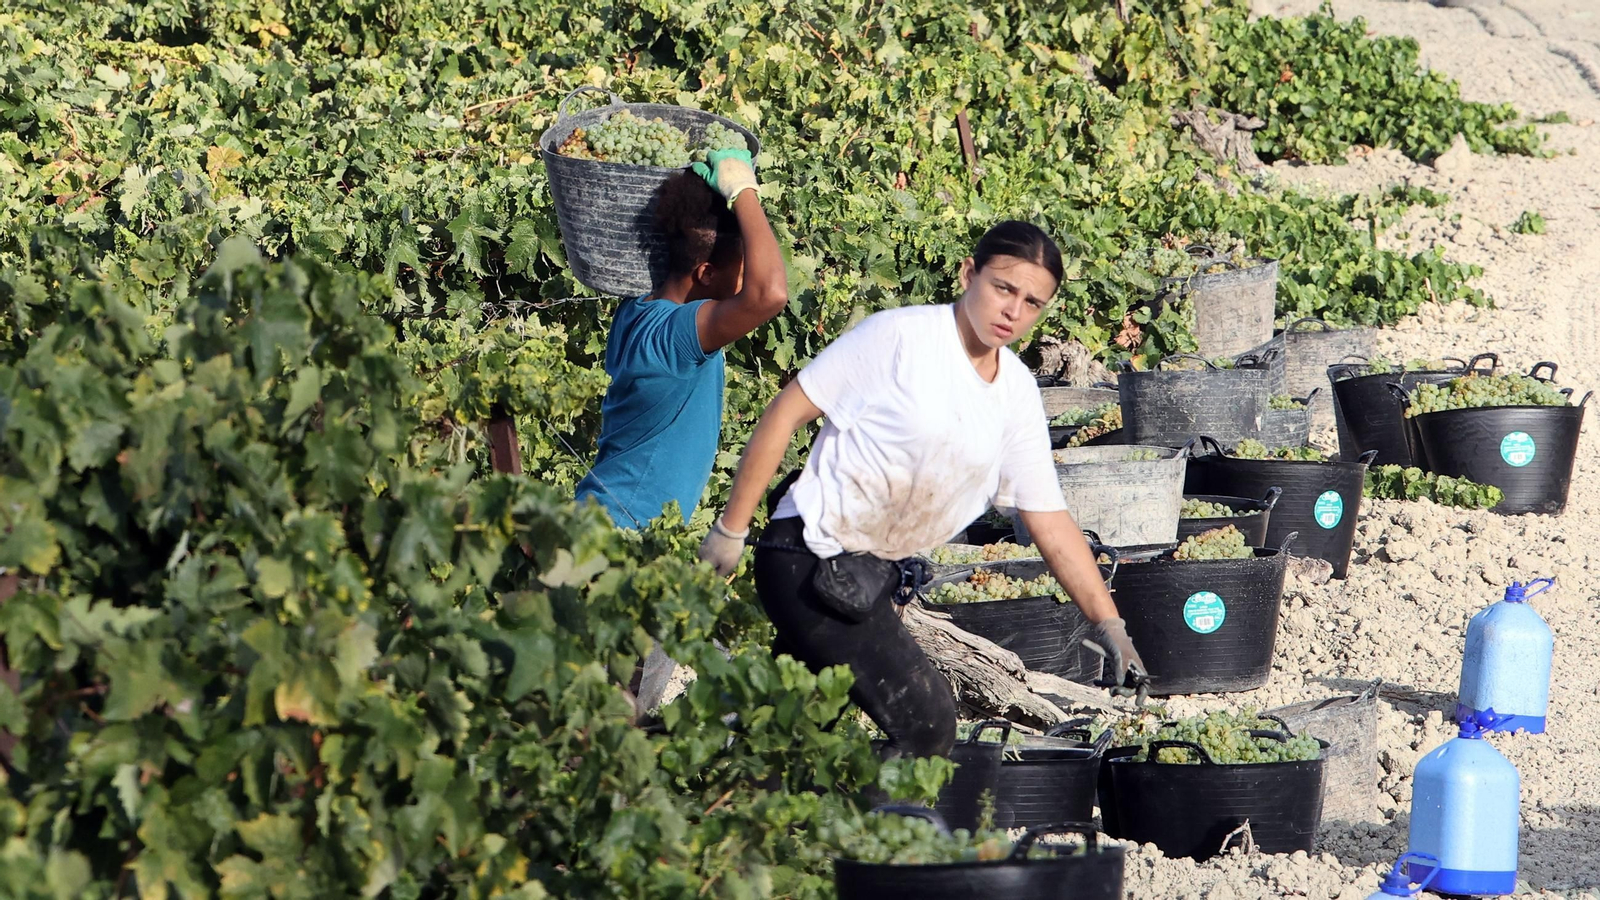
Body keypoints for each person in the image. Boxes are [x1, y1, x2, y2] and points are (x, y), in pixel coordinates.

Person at [696, 221, 1146, 760]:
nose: (1014, 311)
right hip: (810, 557)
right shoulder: (899, 338)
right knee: (928, 727)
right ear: (969, 274)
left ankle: (742, 820)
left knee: (791, 732)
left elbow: (1050, 522)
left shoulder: (1017, 395)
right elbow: (784, 414)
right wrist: (730, 529)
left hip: (869, 577)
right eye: (1004, 288)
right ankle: (882, 840)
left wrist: (1110, 624)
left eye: (1032, 303)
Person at [575, 148, 788, 528]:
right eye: (739, 274)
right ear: (705, 273)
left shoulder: (637, 309)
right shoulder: (673, 338)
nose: (743, 284)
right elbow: (768, 294)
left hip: (600, 518)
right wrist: (742, 190)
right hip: (620, 533)